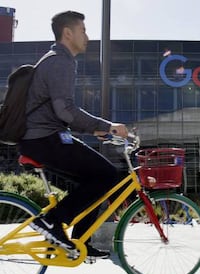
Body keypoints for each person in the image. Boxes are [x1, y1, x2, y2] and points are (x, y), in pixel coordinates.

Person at [19, 11, 128, 260]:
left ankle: (79, 241)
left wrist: (95, 129)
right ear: (68, 33)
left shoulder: (55, 59)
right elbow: (65, 110)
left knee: (94, 180)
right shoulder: (60, 61)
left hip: (43, 138)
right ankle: (51, 222)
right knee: (107, 174)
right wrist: (107, 125)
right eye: (83, 31)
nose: (87, 37)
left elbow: (58, 113)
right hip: (43, 140)